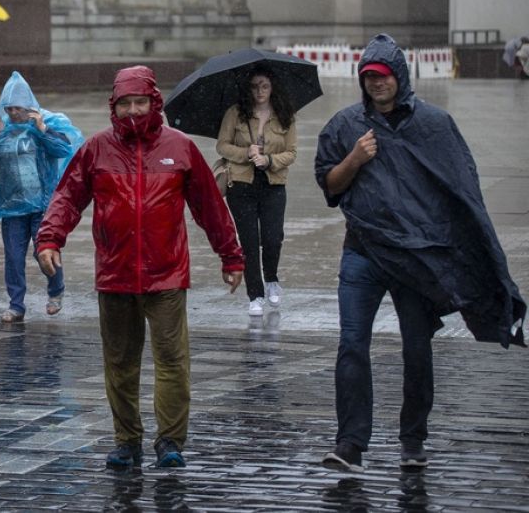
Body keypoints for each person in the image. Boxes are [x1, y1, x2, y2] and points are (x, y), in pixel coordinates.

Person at [315, 34, 525, 474]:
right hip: (363, 254)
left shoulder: (434, 124)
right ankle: (350, 443)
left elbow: (462, 194)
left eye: (384, 76)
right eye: (369, 77)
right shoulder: (345, 125)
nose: (376, 84)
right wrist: (355, 158)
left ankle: (413, 438)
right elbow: (331, 186)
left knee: (416, 349)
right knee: (352, 344)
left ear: (400, 76)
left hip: (416, 261)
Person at [35, 66, 244, 470]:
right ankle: (127, 440)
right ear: (114, 106)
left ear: (154, 103)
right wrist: (49, 239)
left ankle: (170, 441)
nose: (133, 111)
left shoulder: (180, 148)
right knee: (120, 364)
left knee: (172, 362)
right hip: (115, 275)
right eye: (125, 104)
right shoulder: (96, 149)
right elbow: (67, 196)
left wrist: (231, 255)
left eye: (140, 102)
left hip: (166, 275)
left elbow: (210, 208)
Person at [0, 72, 82, 323]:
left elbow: (63, 149)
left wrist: (42, 130)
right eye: (10, 108)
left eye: (19, 107)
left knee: (44, 252)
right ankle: (16, 305)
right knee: (14, 258)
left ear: (30, 106)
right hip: (11, 208)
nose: (14, 112)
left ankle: (56, 290)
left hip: (42, 206)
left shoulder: (43, 125)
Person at [215, 65, 297, 316]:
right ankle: (255, 294)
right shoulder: (235, 113)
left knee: (273, 237)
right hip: (241, 183)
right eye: (254, 86)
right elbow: (222, 146)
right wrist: (245, 154)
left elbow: (292, 152)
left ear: (272, 87)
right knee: (249, 241)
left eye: (264, 86)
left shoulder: (285, 115)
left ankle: (271, 278)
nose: (260, 91)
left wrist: (269, 160)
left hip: (273, 183)